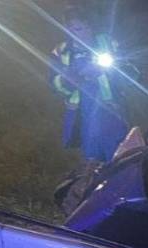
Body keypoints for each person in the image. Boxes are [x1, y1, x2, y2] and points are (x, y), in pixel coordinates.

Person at [49, 4, 137, 163]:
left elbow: (134, 74)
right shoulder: (61, 51)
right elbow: (54, 83)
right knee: (92, 157)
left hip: (112, 109)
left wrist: (113, 70)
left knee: (119, 155)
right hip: (82, 114)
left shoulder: (108, 43)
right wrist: (74, 79)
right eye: (77, 29)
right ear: (67, 29)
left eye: (86, 27)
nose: (84, 33)